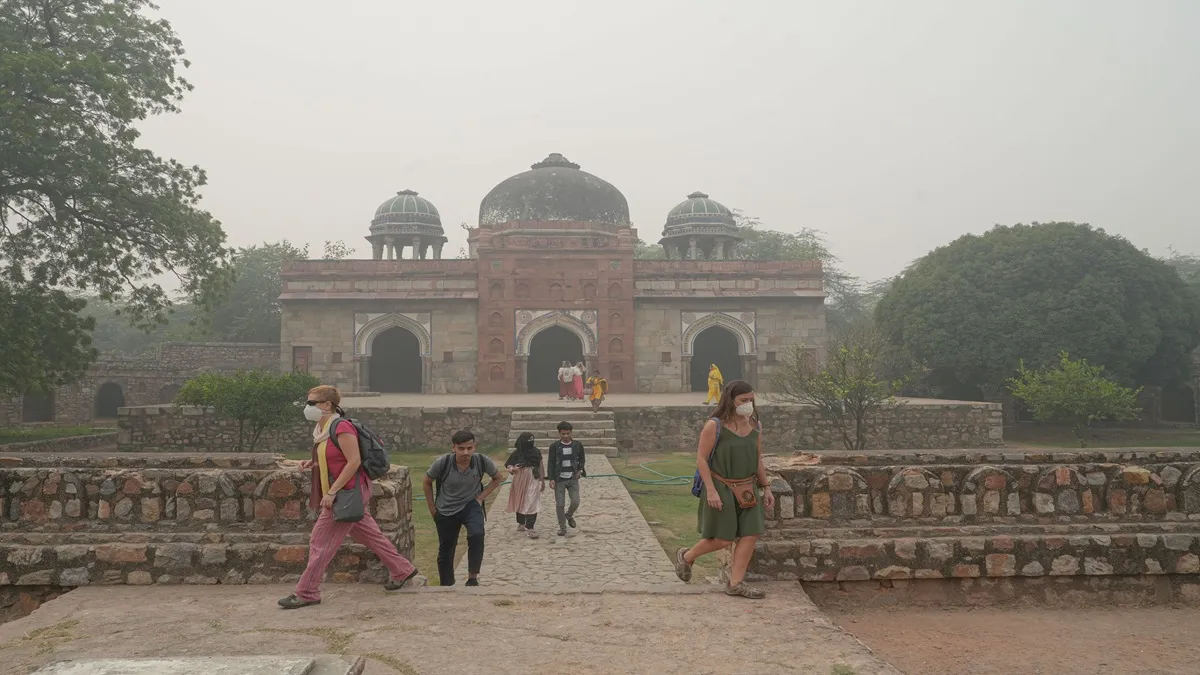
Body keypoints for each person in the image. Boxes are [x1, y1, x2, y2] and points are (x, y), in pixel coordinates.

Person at [278, 385, 419, 609]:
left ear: (326, 405)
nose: (308, 407)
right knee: (369, 535)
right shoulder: (322, 429)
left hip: (346, 493)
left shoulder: (341, 427)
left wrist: (333, 493)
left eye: (312, 403)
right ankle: (402, 569)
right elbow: (333, 458)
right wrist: (311, 462)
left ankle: (307, 591)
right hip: (345, 492)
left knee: (320, 541)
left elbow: (353, 462)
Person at [672, 380, 775, 599]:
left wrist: (766, 487)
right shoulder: (715, 426)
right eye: (743, 400)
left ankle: (736, 583)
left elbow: (757, 459)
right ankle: (687, 556)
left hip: (748, 488)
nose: (748, 404)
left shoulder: (755, 425)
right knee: (723, 538)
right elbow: (701, 459)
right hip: (722, 486)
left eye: (751, 400)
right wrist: (711, 490)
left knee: (750, 534)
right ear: (731, 400)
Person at [423, 430, 504, 586]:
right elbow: (427, 481)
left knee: (477, 534)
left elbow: (497, 478)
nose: (465, 452)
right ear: (454, 448)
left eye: (469, 448)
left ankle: (472, 577)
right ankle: (446, 583)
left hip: (470, 505)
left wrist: (480, 497)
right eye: (461, 448)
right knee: (446, 547)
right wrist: (432, 509)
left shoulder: (481, 461)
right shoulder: (443, 463)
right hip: (446, 508)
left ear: (474, 447)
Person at [547, 421, 586, 537]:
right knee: (560, 504)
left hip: (573, 478)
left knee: (575, 501)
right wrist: (551, 478)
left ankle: (568, 515)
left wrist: (580, 470)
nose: (565, 436)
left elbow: (582, 459)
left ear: (571, 432)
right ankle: (562, 527)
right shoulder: (554, 447)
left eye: (567, 433)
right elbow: (551, 463)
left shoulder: (577, 445)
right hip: (560, 479)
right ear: (559, 433)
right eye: (563, 434)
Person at [504, 431, 545, 539]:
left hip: (533, 478)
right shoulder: (517, 453)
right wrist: (513, 469)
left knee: (532, 500)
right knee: (520, 500)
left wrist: (542, 479)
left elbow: (540, 465)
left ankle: (530, 527)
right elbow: (509, 466)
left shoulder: (536, 451)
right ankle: (521, 522)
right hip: (519, 479)